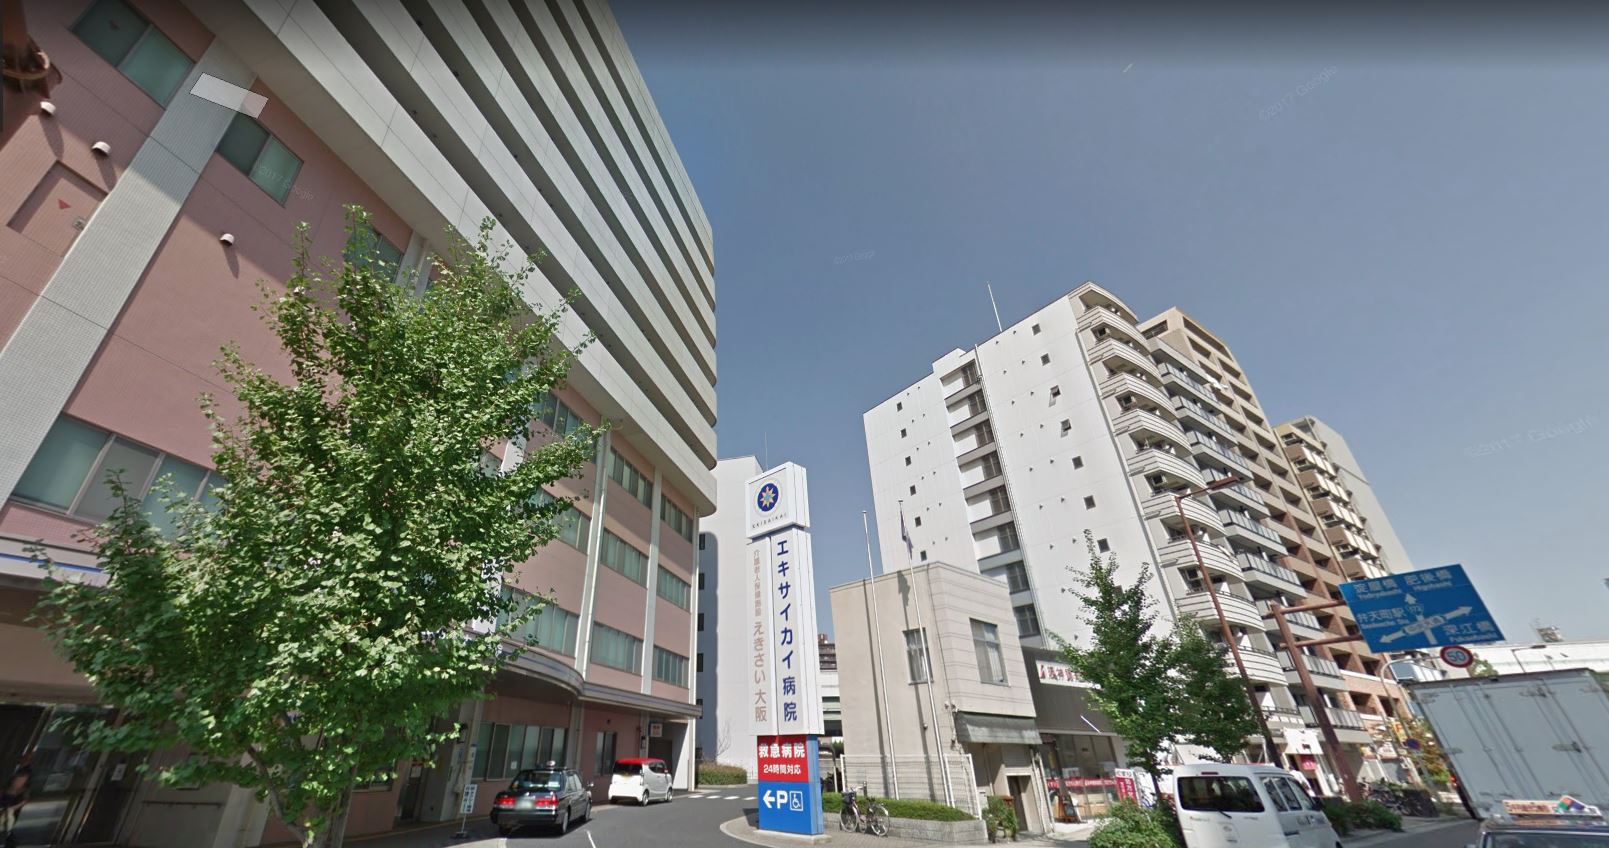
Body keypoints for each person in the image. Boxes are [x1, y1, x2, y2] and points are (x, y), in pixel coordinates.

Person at [0, 753, 32, 848]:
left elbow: (23, 800)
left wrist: (11, 808)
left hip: (10, 806)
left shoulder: (26, 773)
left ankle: (9, 842)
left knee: (7, 825)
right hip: (7, 804)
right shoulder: (18, 772)